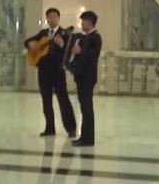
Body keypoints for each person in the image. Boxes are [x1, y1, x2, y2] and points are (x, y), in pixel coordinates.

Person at [24, 8, 77, 138]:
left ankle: (71, 128)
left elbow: (69, 51)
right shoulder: (43, 33)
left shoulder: (65, 34)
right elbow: (27, 42)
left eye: (54, 17)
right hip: (43, 71)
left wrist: (62, 45)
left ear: (58, 18)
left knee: (63, 99)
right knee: (46, 101)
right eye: (50, 17)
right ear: (47, 19)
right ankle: (49, 128)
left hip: (58, 71)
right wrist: (31, 45)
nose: (52, 19)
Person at [67, 11, 102, 147]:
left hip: (88, 77)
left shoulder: (96, 38)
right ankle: (85, 136)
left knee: (87, 107)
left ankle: (88, 139)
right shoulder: (83, 37)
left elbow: (93, 55)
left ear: (89, 22)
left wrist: (80, 51)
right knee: (84, 107)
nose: (81, 24)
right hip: (81, 76)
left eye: (83, 22)